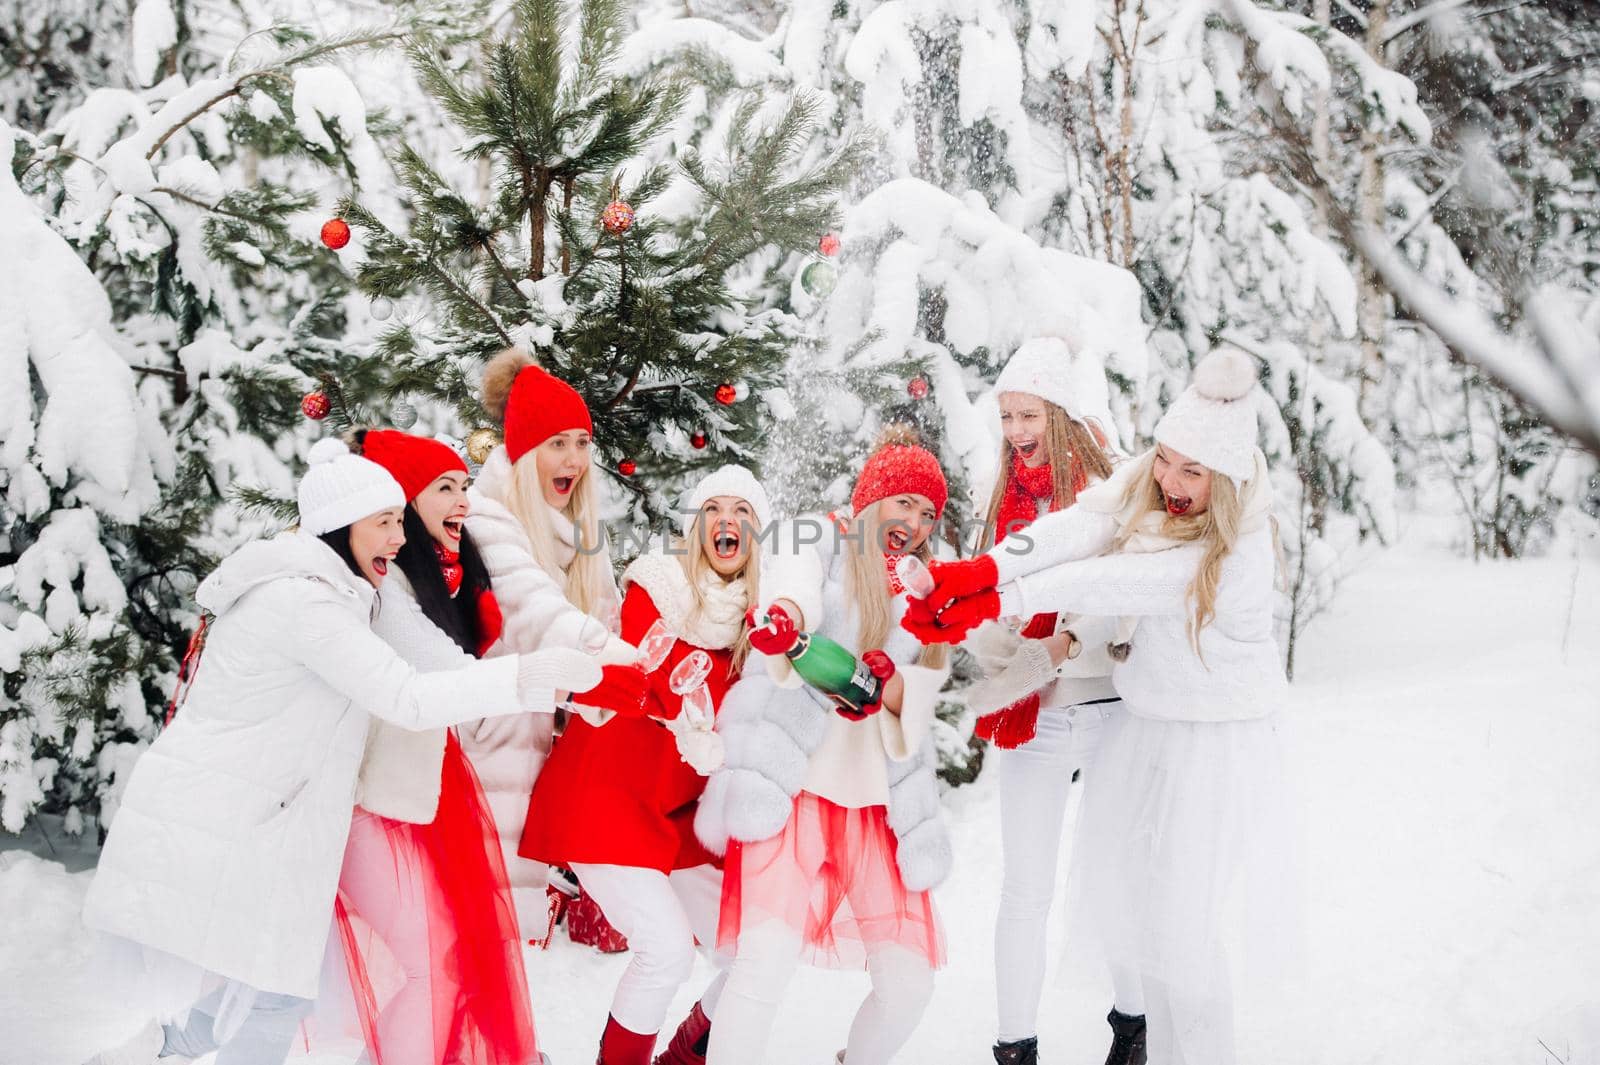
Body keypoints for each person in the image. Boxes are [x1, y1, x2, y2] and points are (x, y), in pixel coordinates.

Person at [81, 438, 600, 1065]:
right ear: (338, 528)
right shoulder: (307, 603)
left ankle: (144, 1050)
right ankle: (139, 1051)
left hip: (266, 819)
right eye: (383, 524)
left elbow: (438, 668)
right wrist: (532, 676)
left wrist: (563, 680)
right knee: (270, 994)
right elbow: (406, 697)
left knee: (262, 994)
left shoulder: (345, 593)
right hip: (237, 820)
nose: (398, 539)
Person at [904, 349, 1299, 1065]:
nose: (1171, 483)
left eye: (1193, 471)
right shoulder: (1150, 485)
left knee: (1183, 930)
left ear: (1229, 478)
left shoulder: (1237, 551)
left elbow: (1124, 580)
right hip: (1152, 722)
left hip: (1211, 744)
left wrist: (1004, 598)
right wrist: (982, 573)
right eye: (1166, 461)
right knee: (1150, 917)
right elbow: (1087, 524)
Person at [333, 428, 650, 1065]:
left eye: (462, 485)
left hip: (424, 784)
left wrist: (587, 684)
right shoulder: (387, 584)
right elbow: (442, 672)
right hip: (378, 798)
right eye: (443, 488)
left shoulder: (445, 571)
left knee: (449, 958)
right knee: (435, 960)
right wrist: (562, 678)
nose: (462, 501)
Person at [695, 429, 954, 1065]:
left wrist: (888, 686)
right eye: (904, 505)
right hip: (795, 787)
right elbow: (792, 585)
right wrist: (784, 619)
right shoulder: (817, 535)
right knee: (761, 968)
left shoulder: (925, 591)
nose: (915, 524)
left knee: (909, 986)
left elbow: (919, 699)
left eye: (928, 514)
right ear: (872, 500)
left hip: (879, 808)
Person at [522, 465, 770, 1065]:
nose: (725, 522)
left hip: (674, 815)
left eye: (741, 513)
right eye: (713, 510)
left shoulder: (757, 624)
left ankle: (683, 1058)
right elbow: (653, 676)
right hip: (604, 802)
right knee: (666, 952)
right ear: (695, 524)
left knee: (754, 956)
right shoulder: (655, 587)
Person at [964, 339, 1135, 1065]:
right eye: (1005, 416)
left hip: (1107, 708)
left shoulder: (1113, 491)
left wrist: (1063, 643)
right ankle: (1015, 1046)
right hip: (1030, 713)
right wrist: (997, 645)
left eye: (1026, 414)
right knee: (1025, 886)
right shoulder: (1001, 497)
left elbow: (1127, 594)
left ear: (1059, 414)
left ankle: (1135, 1033)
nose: (1014, 431)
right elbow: (984, 596)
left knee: (1118, 873)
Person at [460, 348, 640, 936]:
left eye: (582, 443)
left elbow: (608, 622)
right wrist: (637, 671)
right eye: (557, 443)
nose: (574, 460)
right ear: (525, 451)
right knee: (484, 928)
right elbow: (541, 616)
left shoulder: (582, 535)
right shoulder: (485, 521)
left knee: (512, 942)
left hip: (542, 751)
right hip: (491, 746)